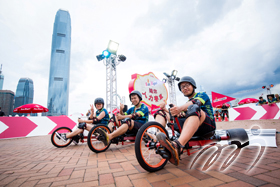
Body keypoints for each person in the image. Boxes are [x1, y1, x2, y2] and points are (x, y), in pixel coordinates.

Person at [154, 76, 216, 166]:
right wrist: (166, 109)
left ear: (193, 86)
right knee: (161, 112)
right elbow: (178, 115)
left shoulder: (202, 95)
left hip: (207, 127)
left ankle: (177, 146)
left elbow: (196, 103)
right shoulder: (187, 104)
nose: (185, 88)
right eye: (182, 87)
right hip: (191, 127)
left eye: (187, 85)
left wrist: (179, 108)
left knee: (193, 107)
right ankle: (157, 137)